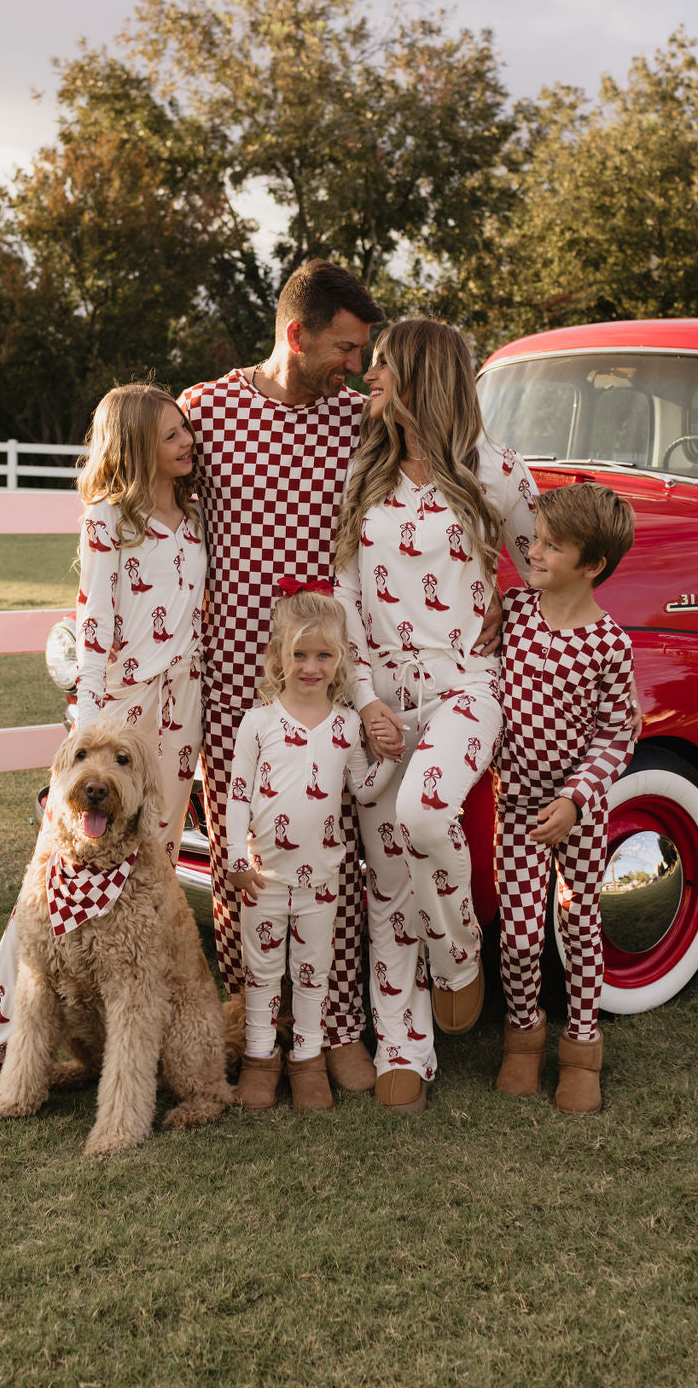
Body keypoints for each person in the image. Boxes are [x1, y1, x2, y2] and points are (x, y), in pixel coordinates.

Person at [0, 384, 206, 1109]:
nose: (188, 441)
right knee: (53, 883)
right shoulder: (108, 522)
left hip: (182, 720)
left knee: (148, 875)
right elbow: (93, 635)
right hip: (121, 716)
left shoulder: (194, 519)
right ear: (138, 442)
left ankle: (136, 1043)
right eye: (173, 433)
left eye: (187, 430)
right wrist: (86, 742)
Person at [178, 260, 388, 1094]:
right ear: (295, 332)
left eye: (363, 350)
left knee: (332, 856)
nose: (355, 364)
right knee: (247, 861)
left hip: (327, 681)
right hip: (235, 677)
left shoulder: (356, 419)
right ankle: (254, 1026)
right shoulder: (207, 410)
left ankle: (334, 1030)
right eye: (344, 346)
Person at [333, 316, 538, 1113]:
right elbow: (347, 597)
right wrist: (367, 701)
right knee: (386, 881)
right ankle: (405, 1049)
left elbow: (550, 566)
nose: (368, 377)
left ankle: (460, 959)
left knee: (423, 814)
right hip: (384, 696)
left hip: (466, 690)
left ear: (421, 375)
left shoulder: (497, 473)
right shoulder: (365, 473)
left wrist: (511, 611)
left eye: (382, 366)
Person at [225, 581, 397, 1111]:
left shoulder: (346, 727)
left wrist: (390, 756)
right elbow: (235, 796)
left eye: (323, 655)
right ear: (279, 655)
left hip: (322, 878)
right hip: (264, 879)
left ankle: (307, 1059)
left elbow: (363, 790)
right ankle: (259, 1058)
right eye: (299, 654)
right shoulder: (258, 723)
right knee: (262, 971)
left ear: (340, 659)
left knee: (311, 971)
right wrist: (235, 857)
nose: (311, 666)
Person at [494, 481, 637, 1115]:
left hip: (576, 812)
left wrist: (578, 799)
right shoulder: (515, 612)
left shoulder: (610, 645)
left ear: (593, 565)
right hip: (517, 807)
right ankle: (524, 1040)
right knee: (521, 935)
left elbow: (617, 735)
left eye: (554, 546)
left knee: (579, 924)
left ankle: (582, 1048)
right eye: (538, 539)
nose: (536, 551)